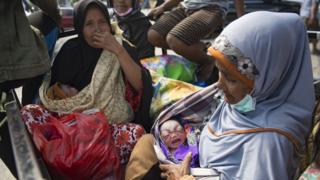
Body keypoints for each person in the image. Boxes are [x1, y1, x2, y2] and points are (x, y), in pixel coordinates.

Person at [125, 11, 315, 180]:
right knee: (146, 144)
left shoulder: (269, 145)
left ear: (271, 76)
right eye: (220, 72)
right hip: (190, 165)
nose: (219, 85)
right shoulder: (248, 102)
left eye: (231, 79)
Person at [21, 0, 153, 165]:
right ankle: (80, 155)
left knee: (138, 134)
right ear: (80, 28)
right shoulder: (70, 50)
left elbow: (141, 85)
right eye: (89, 24)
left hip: (108, 128)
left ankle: (82, 158)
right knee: (29, 112)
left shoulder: (121, 46)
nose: (97, 29)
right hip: (72, 128)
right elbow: (54, 99)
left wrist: (117, 50)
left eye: (102, 22)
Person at [147, 0, 245, 84]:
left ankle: (208, 61)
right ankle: (199, 48)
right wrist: (163, 7)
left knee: (174, 40)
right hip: (186, 6)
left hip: (212, 9)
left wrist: (242, 20)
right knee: (153, 36)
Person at [0, 0, 60, 96]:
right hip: (10, 67)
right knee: (51, 23)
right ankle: (35, 103)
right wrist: (57, 16)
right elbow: (48, 4)